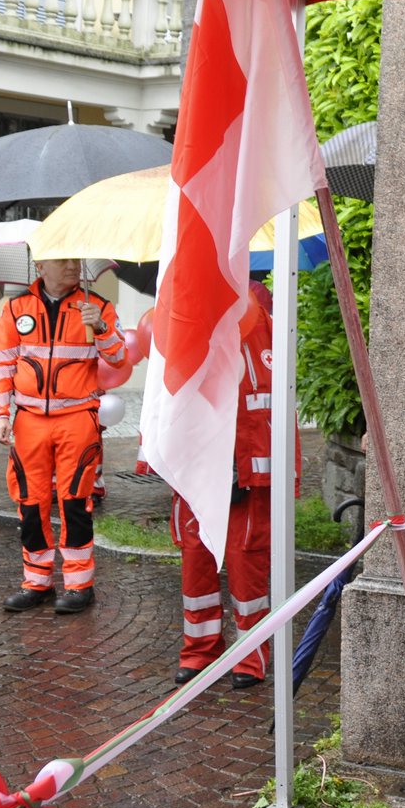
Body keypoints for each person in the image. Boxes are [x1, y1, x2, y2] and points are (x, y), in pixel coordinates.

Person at [0, 257, 123, 614]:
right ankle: (37, 581)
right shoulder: (17, 309)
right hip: (29, 420)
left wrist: (103, 329)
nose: (72, 267)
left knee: (75, 501)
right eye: (62, 262)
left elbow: (122, 358)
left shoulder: (98, 306)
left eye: (75, 261)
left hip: (78, 417)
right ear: (40, 267)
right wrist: (0, 414)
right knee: (30, 502)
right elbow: (2, 364)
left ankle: (80, 585)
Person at [170, 282, 279, 689]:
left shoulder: (263, 316)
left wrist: (248, 465)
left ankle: (250, 657)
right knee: (196, 561)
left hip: (245, 474)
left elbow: (269, 403)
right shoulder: (187, 316)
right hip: (198, 470)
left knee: (245, 565)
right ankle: (199, 652)